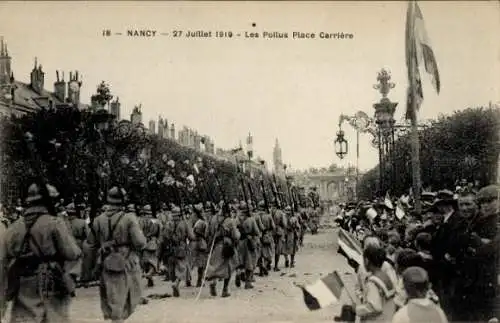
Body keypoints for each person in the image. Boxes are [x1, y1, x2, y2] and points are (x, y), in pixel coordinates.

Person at [5, 183, 81, 323]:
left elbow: (6, 254)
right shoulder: (55, 223)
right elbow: (72, 253)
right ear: (49, 201)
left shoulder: (15, 226)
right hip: (50, 280)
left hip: (22, 280)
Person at [85, 187, 146, 323]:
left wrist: (90, 269)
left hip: (106, 261)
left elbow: (90, 244)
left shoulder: (98, 220)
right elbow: (140, 243)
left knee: (112, 298)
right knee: (124, 302)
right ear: (123, 201)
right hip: (125, 262)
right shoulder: (129, 218)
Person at [205, 202, 240, 297]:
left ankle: (213, 282)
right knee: (230, 266)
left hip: (215, 245)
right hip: (226, 246)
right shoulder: (230, 221)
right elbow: (236, 236)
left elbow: (207, 233)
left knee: (215, 266)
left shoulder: (212, 219)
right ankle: (225, 289)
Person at [159, 206, 194, 297]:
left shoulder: (168, 224)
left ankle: (174, 283)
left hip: (170, 248)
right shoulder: (184, 223)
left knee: (172, 268)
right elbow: (191, 236)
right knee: (182, 267)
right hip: (181, 247)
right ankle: (176, 283)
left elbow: (163, 237)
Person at [355, 244, 396, 322]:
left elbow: (373, 307)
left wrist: (355, 310)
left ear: (366, 261)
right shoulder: (384, 276)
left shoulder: (372, 282)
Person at [138, 205, 162, 288]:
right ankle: (149, 275)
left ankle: (149, 280)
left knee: (146, 263)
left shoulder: (140, 221)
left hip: (144, 243)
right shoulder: (156, 221)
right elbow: (160, 232)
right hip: (153, 242)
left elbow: (139, 233)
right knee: (153, 262)